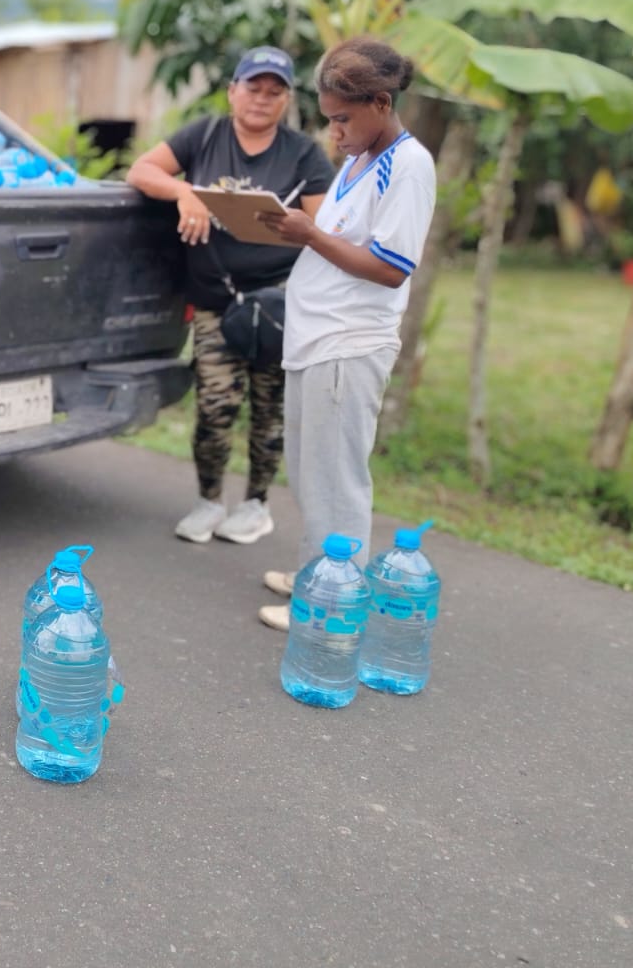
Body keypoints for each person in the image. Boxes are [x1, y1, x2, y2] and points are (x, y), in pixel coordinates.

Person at [255, 36, 437, 631]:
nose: (334, 133)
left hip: (349, 344)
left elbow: (390, 268)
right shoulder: (361, 160)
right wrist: (295, 230)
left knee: (338, 482)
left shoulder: (408, 166)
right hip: (317, 339)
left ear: (381, 103)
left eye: (342, 119)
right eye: (330, 119)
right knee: (314, 474)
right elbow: (342, 242)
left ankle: (331, 605)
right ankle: (319, 573)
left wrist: (310, 235)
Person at [127, 47, 333, 547]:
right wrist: (186, 193)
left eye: (274, 91)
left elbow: (325, 227)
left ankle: (256, 503)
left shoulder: (303, 153)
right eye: (253, 88)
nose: (262, 99)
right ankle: (209, 500)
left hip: (279, 303)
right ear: (232, 91)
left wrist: (289, 225)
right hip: (215, 300)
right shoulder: (204, 136)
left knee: (269, 409)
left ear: (287, 100)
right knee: (214, 405)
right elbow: (142, 171)